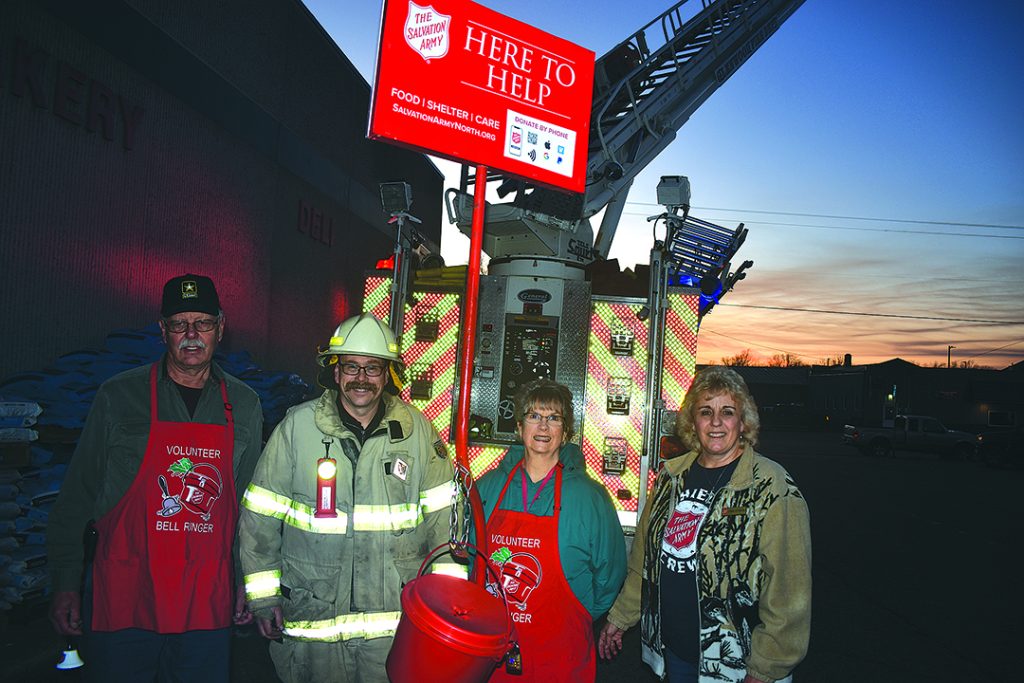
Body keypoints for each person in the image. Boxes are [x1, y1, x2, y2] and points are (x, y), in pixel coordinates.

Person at [47, 273, 264, 683]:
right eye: (179, 324)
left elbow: (251, 512)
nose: (192, 335)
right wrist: (65, 583)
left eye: (202, 323)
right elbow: (78, 496)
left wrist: (246, 583)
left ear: (221, 327)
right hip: (128, 594)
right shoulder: (118, 395)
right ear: (162, 331)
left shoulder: (245, 404)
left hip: (206, 598)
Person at [237, 313, 459, 683]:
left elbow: (445, 524)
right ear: (335, 372)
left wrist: (446, 606)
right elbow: (260, 519)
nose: (361, 379)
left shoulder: (417, 433)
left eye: (372, 368)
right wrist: (264, 597)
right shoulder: (296, 428)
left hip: (392, 627)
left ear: (388, 375)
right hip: (314, 621)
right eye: (351, 366)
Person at [598, 366, 811, 683]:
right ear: (692, 421)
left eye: (727, 412)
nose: (715, 422)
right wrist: (621, 616)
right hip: (675, 654)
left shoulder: (770, 485)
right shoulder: (671, 476)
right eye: (705, 411)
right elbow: (645, 560)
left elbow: (790, 589)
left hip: (737, 664)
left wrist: (766, 669)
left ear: (743, 422)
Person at [476, 378, 626, 681]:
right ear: (519, 427)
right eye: (533, 416)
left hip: (561, 655)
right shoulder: (488, 487)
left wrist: (578, 616)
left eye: (553, 418)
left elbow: (610, 575)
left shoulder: (591, 497)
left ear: (566, 432)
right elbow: (470, 559)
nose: (543, 427)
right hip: (494, 652)